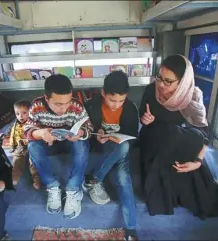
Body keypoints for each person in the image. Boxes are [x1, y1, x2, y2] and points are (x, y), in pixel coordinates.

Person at [138, 54, 218, 219]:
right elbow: (142, 115)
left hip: (175, 141)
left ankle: (184, 186)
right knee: (171, 134)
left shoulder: (192, 96)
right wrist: (145, 119)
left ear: (182, 81)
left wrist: (198, 162)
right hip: (154, 137)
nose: (161, 84)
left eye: (168, 81)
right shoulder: (151, 90)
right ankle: (165, 194)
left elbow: (204, 133)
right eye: (159, 77)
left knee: (186, 138)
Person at [25, 74, 93, 219]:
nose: (64, 108)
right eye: (58, 104)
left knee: (82, 143)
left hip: (70, 142)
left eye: (67, 102)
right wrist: (41, 133)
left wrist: (81, 132)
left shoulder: (76, 105)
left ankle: (74, 189)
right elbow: (27, 131)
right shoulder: (37, 106)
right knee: (32, 147)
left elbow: (89, 127)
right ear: (46, 97)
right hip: (48, 143)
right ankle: (52, 186)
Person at [84, 71, 139, 240]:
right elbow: (85, 132)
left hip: (120, 149)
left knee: (124, 177)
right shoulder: (92, 105)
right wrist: (96, 133)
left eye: (121, 101)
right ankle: (94, 179)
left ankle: (131, 230)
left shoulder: (130, 108)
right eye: (112, 100)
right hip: (100, 149)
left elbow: (132, 137)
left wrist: (119, 139)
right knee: (122, 150)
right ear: (103, 93)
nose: (116, 105)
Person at [9, 99, 41, 189]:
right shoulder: (16, 124)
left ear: (30, 112)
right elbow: (13, 135)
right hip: (21, 145)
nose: (20, 116)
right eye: (17, 114)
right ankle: (14, 176)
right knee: (17, 159)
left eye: (24, 113)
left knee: (33, 162)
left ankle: (37, 180)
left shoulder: (34, 123)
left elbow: (37, 134)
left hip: (32, 144)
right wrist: (12, 145)